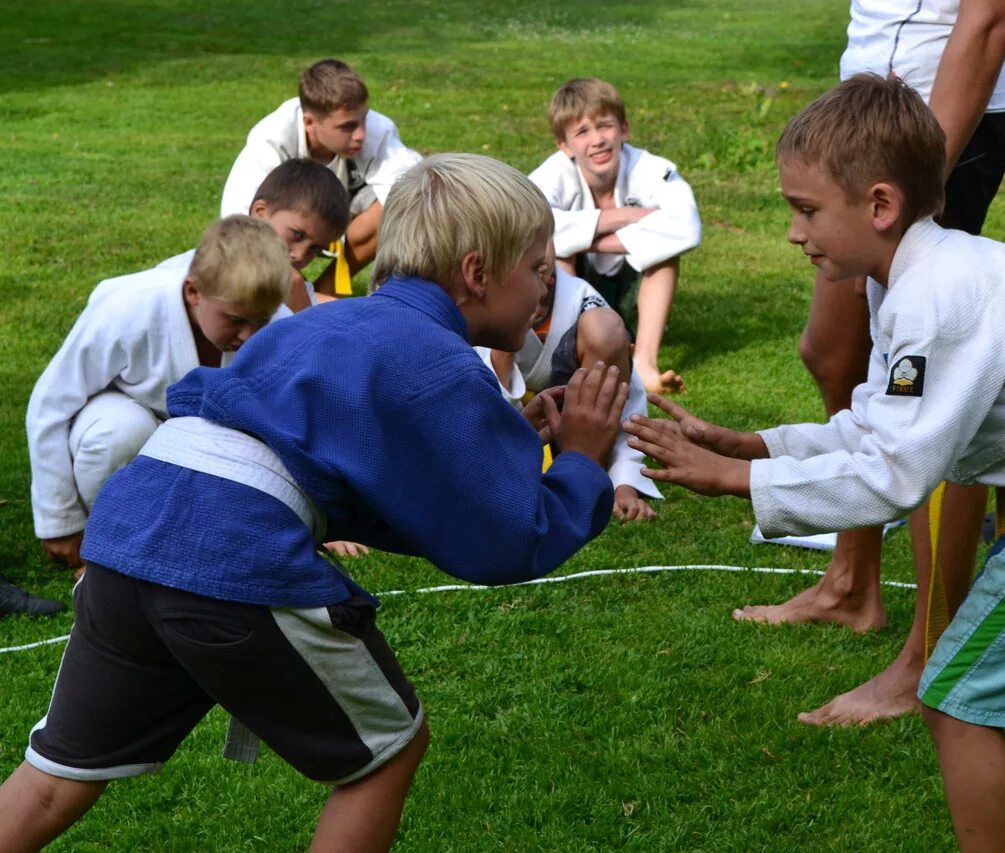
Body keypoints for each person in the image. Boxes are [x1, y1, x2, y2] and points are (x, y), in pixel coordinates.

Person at [624, 75, 1005, 848]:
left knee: (955, 698)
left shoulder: (938, 297)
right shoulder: (912, 277)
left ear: (880, 205)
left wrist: (739, 481)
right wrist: (759, 446)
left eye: (807, 210)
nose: (794, 232)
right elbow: (882, 422)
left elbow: (898, 473)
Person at [0, 153, 628, 852]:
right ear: (477, 273)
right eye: (540, 268)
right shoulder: (444, 361)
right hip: (228, 545)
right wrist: (578, 461)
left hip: (132, 524)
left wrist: (506, 446)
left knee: (55, 776)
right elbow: (510, 540)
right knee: (388, 748)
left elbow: (372, 470)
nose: (547, 287)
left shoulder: (324, 323)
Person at [734, 0, 1005, 728]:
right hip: (870, 112)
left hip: (936, 126)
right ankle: (852, 582)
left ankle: (929, 655)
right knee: (833, 352)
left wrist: (924, 172)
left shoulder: (908, 185)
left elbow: (991, 16)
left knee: (935, 388)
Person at [26, 216, 292, 577]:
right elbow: (50, 404)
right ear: (192, 291)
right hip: (118, 421)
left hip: (203, 439)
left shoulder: (278, 326)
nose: (248, 334)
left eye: (260, 321)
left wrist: (318, 515)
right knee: (120, 432)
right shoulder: (127, 308)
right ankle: (103, 539)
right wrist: (61, 520)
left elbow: (292, 421)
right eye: (234, 319)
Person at [529, 77, 701, 395]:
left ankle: (646, 362)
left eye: (605, 126)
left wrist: (587, 237)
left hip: (629, 280)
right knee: (558, 252)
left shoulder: (650, 168)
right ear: (564, 146)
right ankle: (569, 352)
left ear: (624, 129)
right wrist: (625, 217)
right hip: (575, 279)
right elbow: (529, 219)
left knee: (665, 257)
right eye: (582, 132)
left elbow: (686, 225)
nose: (597, 140)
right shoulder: (552, 174)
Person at [478, 237, 661, 522]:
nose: (538, 264)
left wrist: (625, 483)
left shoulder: (582, 303)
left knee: (607, 329)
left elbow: (624, 401)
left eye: (540, 242)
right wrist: (502, 354)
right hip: (507, 440)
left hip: (576, 440)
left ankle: (590, 474)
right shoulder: (477, 302)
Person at [220, 58, 422, 297]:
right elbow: (239, 225)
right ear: (309, 122)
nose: (360, 134)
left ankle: (325, 289)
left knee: (396, 206)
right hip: (293, 220)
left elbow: (414, 194)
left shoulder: (377, 129)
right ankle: (298, 295)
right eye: (347, 127)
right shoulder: (270, 140)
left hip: (345, 215)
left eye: (364, 120)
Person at [164, 159, 348, 313]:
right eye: (297, 234)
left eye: (315, 249)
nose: (300, 255)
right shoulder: (189, 274)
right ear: (260, 212)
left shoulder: (293, 287)